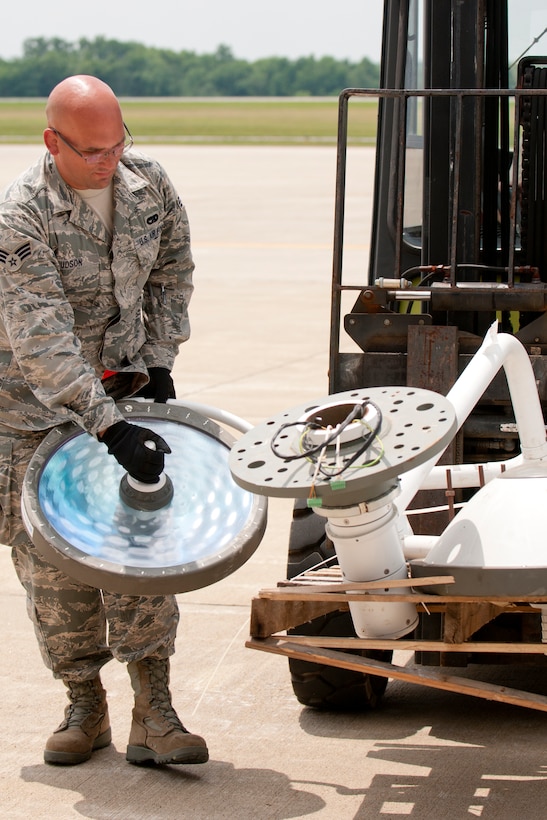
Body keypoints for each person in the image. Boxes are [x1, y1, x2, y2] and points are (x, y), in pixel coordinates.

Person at [0, 75, 208, 767]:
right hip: (36, 413)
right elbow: (42, 340)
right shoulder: (20, 215)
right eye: (91, 150)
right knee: (55, 573)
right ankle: (84, 706)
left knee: (141, 554)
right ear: (51, 141)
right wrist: (107, 427)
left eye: (117, 144)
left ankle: (157, 709)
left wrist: (159, 361)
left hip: (127, 392)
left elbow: (170, 275)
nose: (107, 161)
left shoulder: (148, 186)